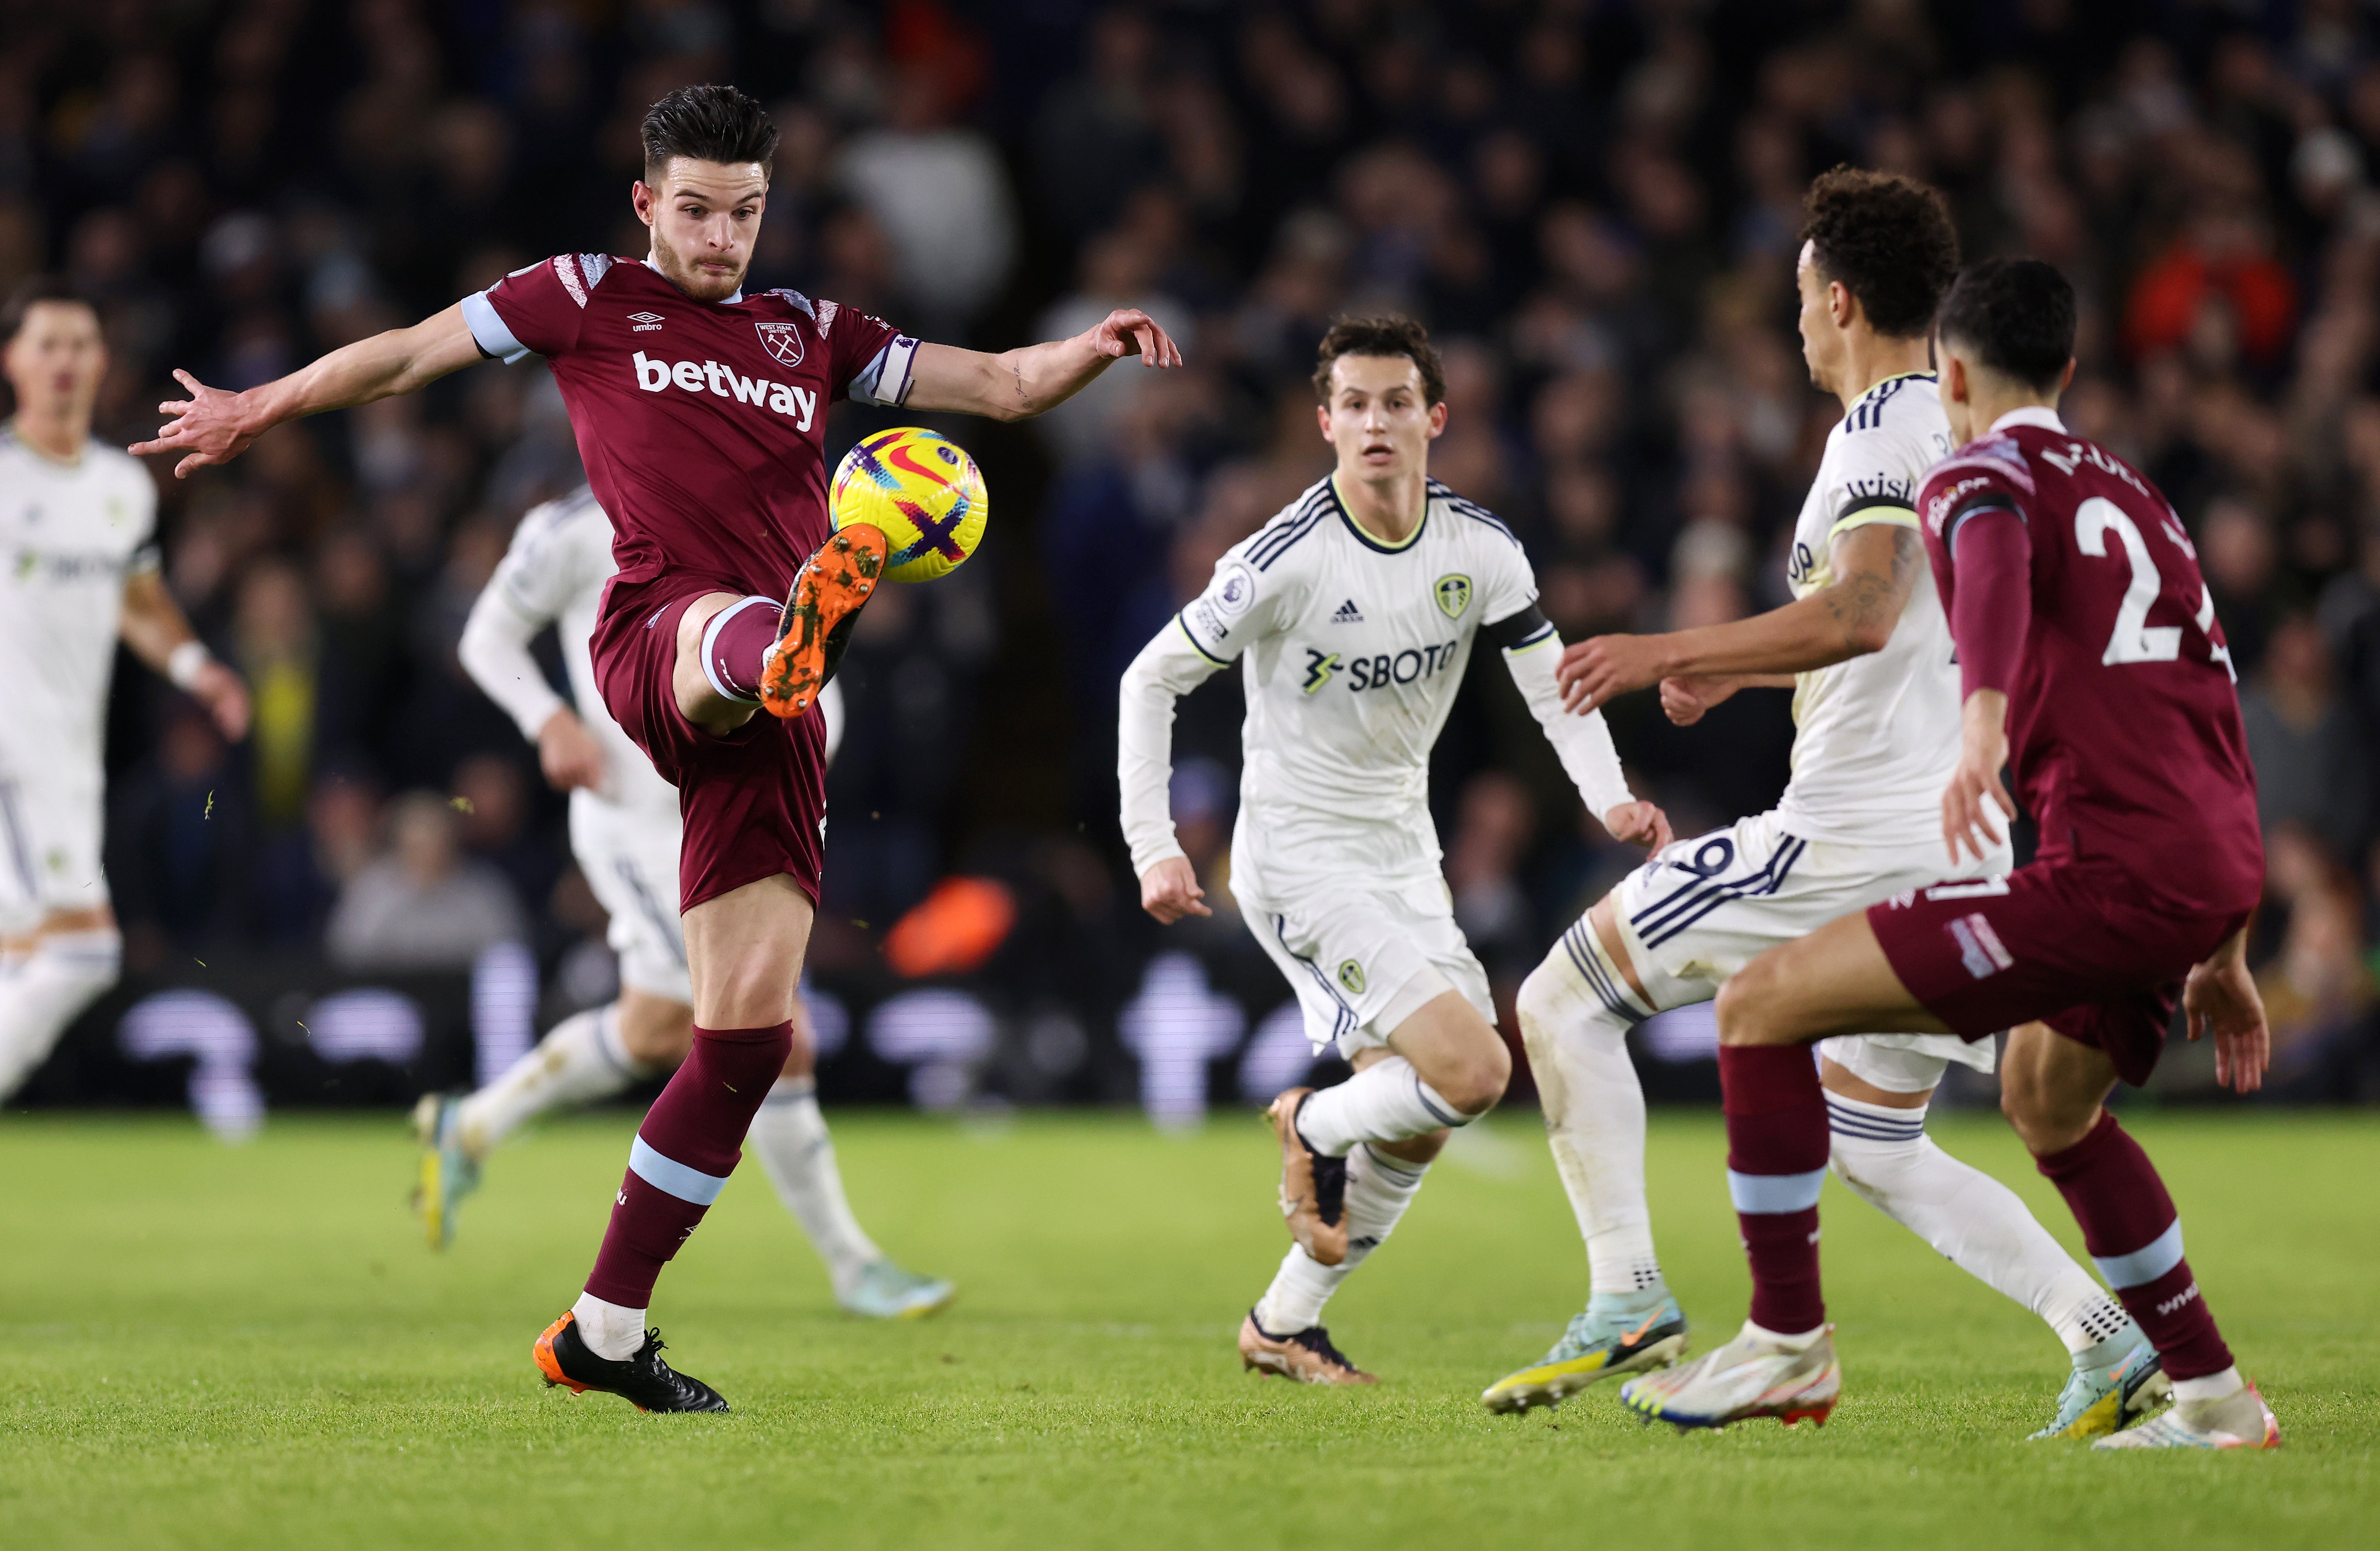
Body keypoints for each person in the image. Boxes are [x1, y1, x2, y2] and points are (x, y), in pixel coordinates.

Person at [133, 84, 1182, 1412]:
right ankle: (794, 630)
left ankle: (605, 1329)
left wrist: (1087, 345)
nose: (720, 235)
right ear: (646, 205)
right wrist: (256, 408)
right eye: (694, 209)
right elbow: (400, 356)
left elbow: (1002, 387)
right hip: (659, 640)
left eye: (743, 211)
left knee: (740, 1046)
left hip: (776, 729)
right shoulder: (580, 295)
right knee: (730, 631)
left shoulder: (811, 332)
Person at [1482, 172, 2167, 1441]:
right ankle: (2107, 1336)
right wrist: (1726, 666)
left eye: (1800, 298)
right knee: (1871, 1135)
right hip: (1957, 837)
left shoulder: (1877, 430)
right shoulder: (1955, 427)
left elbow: (1857, 611)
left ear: (1838, 300)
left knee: (1559, 1000)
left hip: (1851, 838)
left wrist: (1655, 648)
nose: (1796, 322)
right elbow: (1895, 627)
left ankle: (1632, 1295)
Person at [1618, 257, 2280, 1452]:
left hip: (2104, 876)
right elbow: (2214, 706)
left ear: (1954, 373)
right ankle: (2217, 1400)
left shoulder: (1979, 470)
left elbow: (1983, 566)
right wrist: (2228, 938)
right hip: (2211, 862)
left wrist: (1980, 717)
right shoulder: (2141, 496)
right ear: (2070, 370)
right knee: (2046, 1097)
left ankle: (1785, 1340)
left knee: (1762, 1004)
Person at [1120, 315, 1672, 1385]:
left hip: (1403, 856)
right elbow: (1150, 680)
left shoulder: (1482, 549)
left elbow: (1553, 688)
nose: (1378, 422)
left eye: (1397, 402)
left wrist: (1611, 798)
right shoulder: (1281, 558)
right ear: (1325, 423)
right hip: (1297, 858)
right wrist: (1155, 844)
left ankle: (1285, 1320)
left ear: (1437, 418)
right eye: (1357, 405)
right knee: (1473, 1066)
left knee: (1422, 1113)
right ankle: (1310, 1119)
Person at [438, 483, 951, 1320]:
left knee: (654, 1030)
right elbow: (487, 635)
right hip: (638, 821)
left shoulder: (766, 502)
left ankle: (472, 1126)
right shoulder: (573, 526)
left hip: (748, 802)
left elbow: (796, 640)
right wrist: (547, 723)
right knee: (774, 1035)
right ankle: (852, 1264)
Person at [0, 278, 249, 1103]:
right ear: (13, 360)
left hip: (67, 761)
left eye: (80, 345)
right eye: (48, 344)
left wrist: (195, 668)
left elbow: (136, 601)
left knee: (22, 963)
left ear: (103, 361)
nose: (65, 361)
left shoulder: (121, 487)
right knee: (81, 955)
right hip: (10, 754)